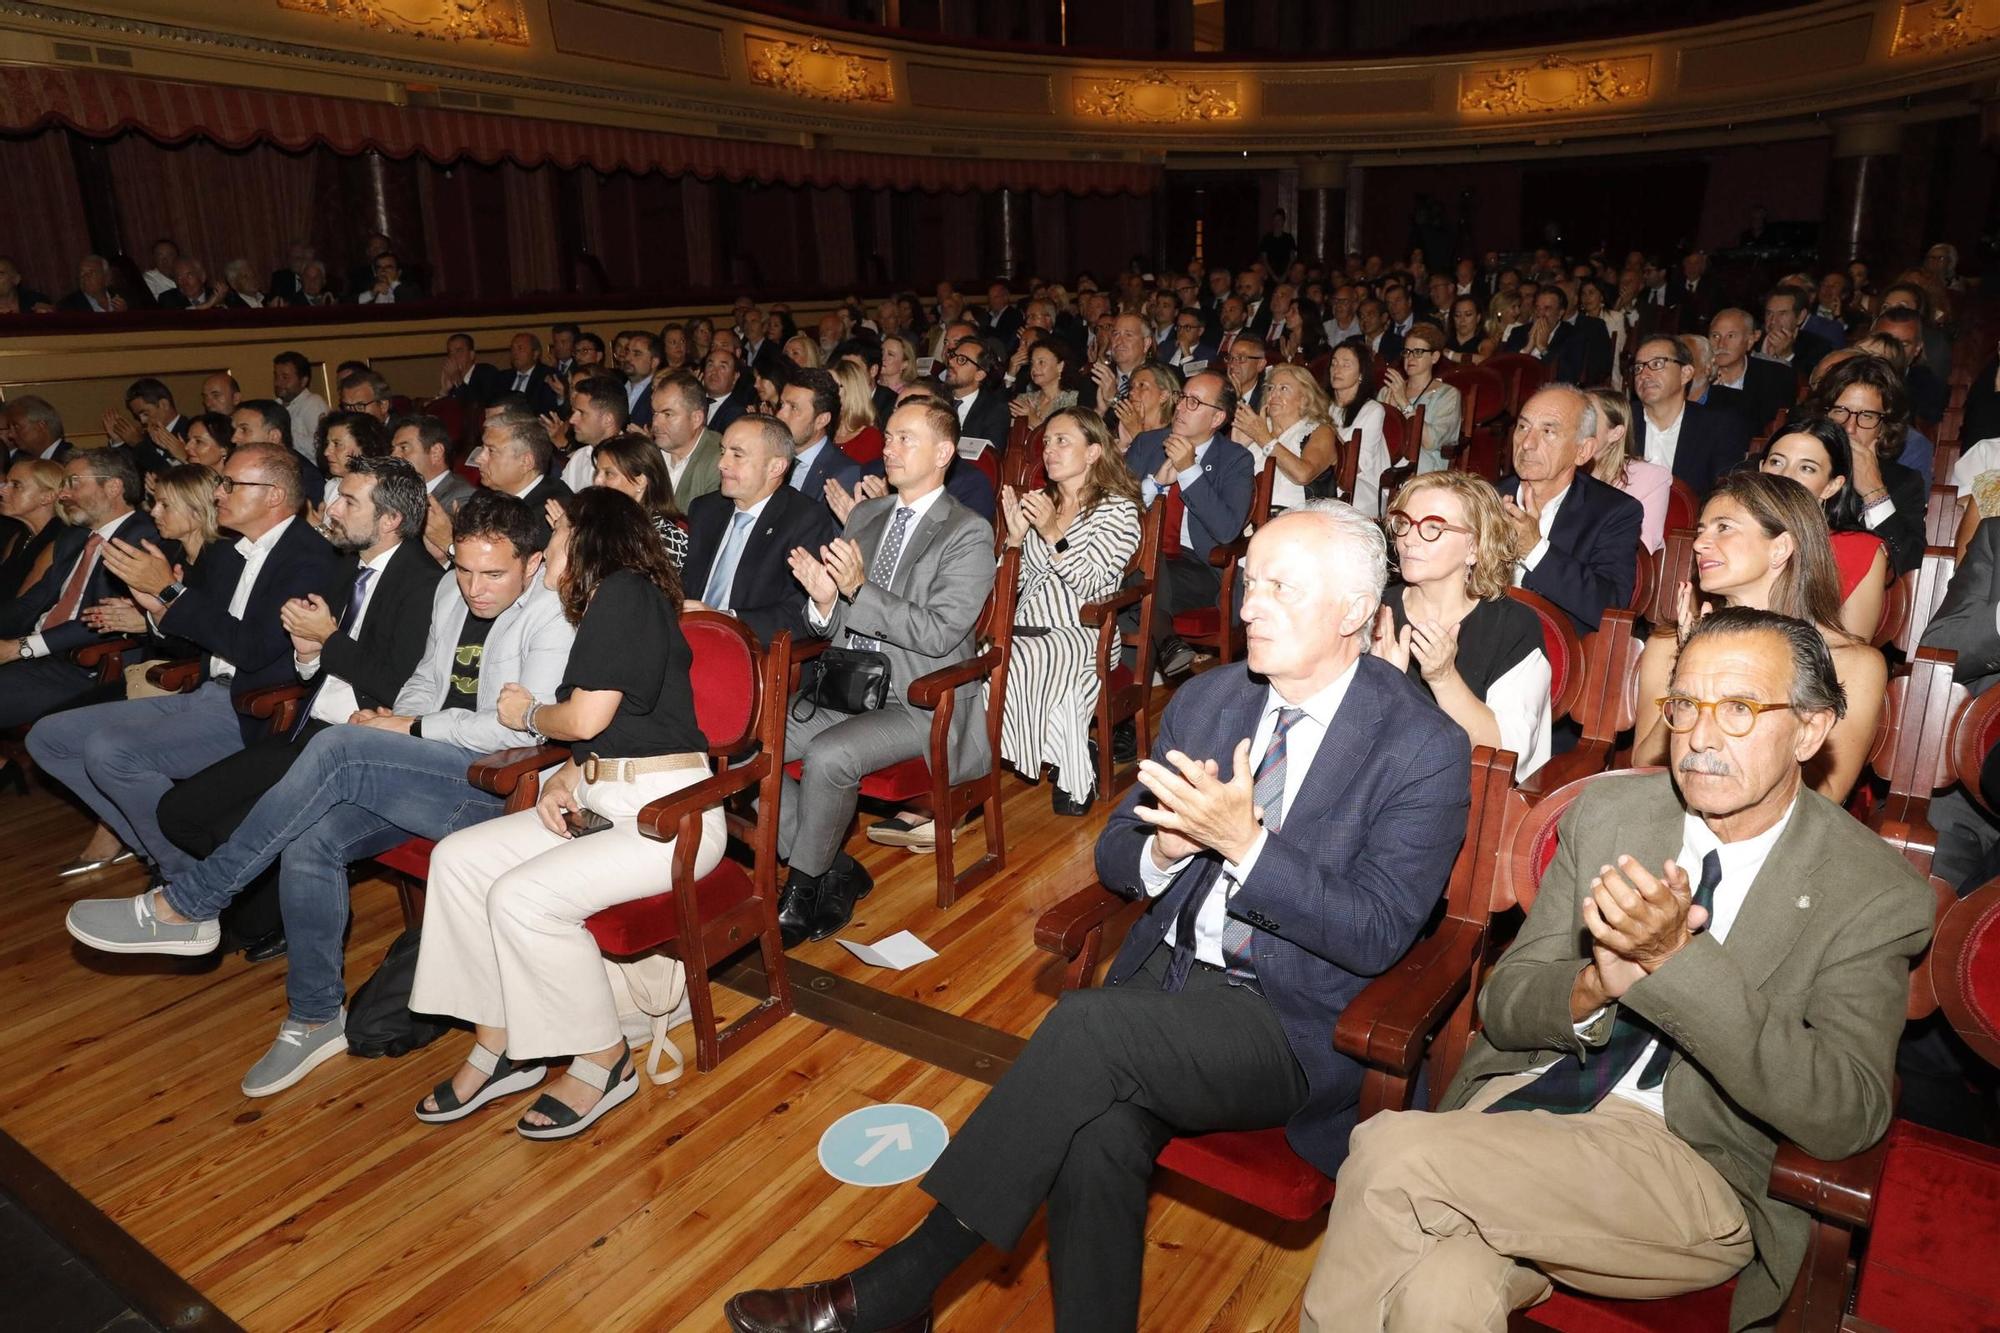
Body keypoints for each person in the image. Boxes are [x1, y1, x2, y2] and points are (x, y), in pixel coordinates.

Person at [724, 503, 1471, 1333]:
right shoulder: (1215, 698)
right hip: (1166, 981)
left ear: (1356, 612)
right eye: (1249, 582)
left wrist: (1248, 848)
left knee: (1085, 1033)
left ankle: (894, 1291)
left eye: (1279, 589)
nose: (1248, 605)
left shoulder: (1420, 746)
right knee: (1096, 1131)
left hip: (1286, 1022)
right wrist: (1170, 851)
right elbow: (1117, 851)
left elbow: (1375, 931)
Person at [1302, 606, 1932, 1333]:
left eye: (1738, 709)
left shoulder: (1871, 890)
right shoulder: (1610, 814)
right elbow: (1505, 1002)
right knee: (1440, 1293)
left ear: (1811, 730)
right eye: (1686, 704)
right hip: (1529, 1105)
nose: (1700, 736)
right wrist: (1593, 986)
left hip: (1695, 1164)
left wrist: (1677, 963)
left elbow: (1848, 1111)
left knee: (1388, 1152)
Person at [64, 492, 573, 1097]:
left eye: (494, 574)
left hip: (498, 787)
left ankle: (193, 903)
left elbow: (521, 726)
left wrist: (407, 729)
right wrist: (396, 715)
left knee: (333, 748)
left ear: (535, 562)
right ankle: (314, 1017)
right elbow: (427, 679)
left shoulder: (554, 613)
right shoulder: (449, 590)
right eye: (464, 568)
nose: (475, 587)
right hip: (429, 763)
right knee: (312, 839)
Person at [408, 488, 722, 1139]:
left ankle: (605, 1059)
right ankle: (500, 1043)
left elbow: (582, 717)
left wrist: (525, 714)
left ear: (588, 537)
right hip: (612, 797)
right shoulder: (615, 604)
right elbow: (627, 724)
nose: (547, 544)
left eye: (555, 532)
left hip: (669, 816)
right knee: (459, 860)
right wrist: (569, 777)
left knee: (523, 898)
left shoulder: (623, 594)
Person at [150, 457, 441, 960]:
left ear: (391, 520)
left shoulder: (425, 583)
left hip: (360, 742)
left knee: (229, 834)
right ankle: (265, 906)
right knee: (178, 813)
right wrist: (309, 655)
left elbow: (402, 690)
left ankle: (259, 912)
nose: (332, 508)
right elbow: (317, 668)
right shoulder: (348, 565)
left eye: (349, 501)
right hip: (311, 729)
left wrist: (326, 641)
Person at [25, 445, 346, 885]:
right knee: (50, 737)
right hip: (204, 690)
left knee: (110, 751)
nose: (219, 493)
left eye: (231, 484)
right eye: (221, 483)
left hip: (253, 709)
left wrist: (171, 595)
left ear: (273, 496)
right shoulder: (231, 552)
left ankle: (188, 875)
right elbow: (191, 632)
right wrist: (156, 608)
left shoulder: (307, 557)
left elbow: (252, 649)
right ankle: (164, 852)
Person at [774, 398, 996, 947]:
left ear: (944, 453)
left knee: (828, 757)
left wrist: (855, 590)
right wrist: (826, 602)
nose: (888, 449)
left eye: (904, 439)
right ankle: (828, 864)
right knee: (753, 745)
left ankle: (803, 885)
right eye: (889, 437)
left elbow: (940, 634)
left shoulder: (967, 532)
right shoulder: (866, 515)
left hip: (919, 698)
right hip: (848, 686)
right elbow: (831, 625)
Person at [1631, 471, 1884, 802]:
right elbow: (1643, 767)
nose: (1698, 544)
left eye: (1724, 528)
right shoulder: (1670, 644)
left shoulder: (1853, 663)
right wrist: (1688, 666)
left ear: (1780, 548)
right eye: (1701, 530)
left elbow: (1826, 794)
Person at [996, 408, 1143, 818]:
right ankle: (1074, 757)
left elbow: (1094, 586)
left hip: (1083, 629)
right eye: (1046, 442)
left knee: (1021, 662)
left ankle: (1065, 765)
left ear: (1094, 451)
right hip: (1025, 623)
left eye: (1062, 441)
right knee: (983, 662)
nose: (1049, 450)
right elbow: (1011, 585)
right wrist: (1013, 539)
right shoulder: (1041, 504)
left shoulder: (1118, 510)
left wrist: (1052, 534)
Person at [1376, 472, 1552, 780]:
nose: (1409, 539)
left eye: (1433, 527)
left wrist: (1443, 678)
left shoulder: (1511, 627)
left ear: (1474, 547)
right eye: (1403, 522)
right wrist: (1375, 681)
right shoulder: (1374, 609)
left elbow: (1509, 754)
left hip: (1464, 796)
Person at [0, 450, 163, 730]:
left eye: (73, 483)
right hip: (38, 655)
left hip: (83, 666)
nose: (63, 495)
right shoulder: (74, 538)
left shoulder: (143, 537)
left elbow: (105, 617)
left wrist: (21, 648)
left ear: (113, 487)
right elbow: (31, 603)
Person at [1122, 370, 1255, 681]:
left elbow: (1225, 530)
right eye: (1182, 397)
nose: (1181, 406)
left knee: (1130, 587)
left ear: (1217, 418)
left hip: (1199, 569)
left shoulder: (1236, 460)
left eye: (1194, 402)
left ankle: (1127, 708)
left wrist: (1188, 470)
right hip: (1138, 557)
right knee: (1137, 573)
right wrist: (1154, 483)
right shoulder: (1147, 444)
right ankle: (1167, 642)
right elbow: (1114, 508)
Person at [1501, 385, 1643, 635]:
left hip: (1553, 653)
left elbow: (1611, 609)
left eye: (1548, 431)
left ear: (1583, 451)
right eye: (1523, 427)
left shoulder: (1613, 511)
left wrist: (1535, 550)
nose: (1527, 444)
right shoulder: (1485, 496)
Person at [680, 414, 834, 645]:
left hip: (751, 653)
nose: (722, 463)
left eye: (737, 455)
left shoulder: (804, 519)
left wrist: (724, 621)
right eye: (723, 452)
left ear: (776, 467)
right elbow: (684, 585)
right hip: (687, 639)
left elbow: (798, 612)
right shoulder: (705, 509)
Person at [1759, 417, 1890, 640]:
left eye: (1806, 468)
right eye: (1777, 462)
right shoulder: (1729, 533)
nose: (1785, 476)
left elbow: (1852, 656)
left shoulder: (1856, 550)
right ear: (1761, 469)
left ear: (1831, 486)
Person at [1801, 353, 1925, 576]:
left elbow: (1908, 562)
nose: (1849, 428)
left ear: (1885, 426)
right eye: (1840, 412)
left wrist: (1874, 493)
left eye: (1866, 416)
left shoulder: (1902, 482)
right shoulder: (1793, 463)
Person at [1630, 335, 1750, 497]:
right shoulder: (1620, 421)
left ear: (1685, 374)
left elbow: (1729, 493)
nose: (1644, 375)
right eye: (1638, 368)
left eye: (1657, 364)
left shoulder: (1717, 426)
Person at [1233, 362, 1336, 513]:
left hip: (1297, 521)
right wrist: (1235, 446)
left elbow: (1303, 474)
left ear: (1304, 399)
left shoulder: (1319, 431)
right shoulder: (1256, 426)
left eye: (1284, 389)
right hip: (1244, 515)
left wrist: (1264, 438)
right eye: (1270, 388)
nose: (1273, 395)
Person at [1585, 388, 1672, 554]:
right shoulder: (1556, 470)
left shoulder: (1651, 479)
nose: (1576, 426)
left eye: (1588, 418)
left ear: (1615, 433)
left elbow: (1639, 553)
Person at [588, 432, 688, 569]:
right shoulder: (597, 523)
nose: (597, 481)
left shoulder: (665, 539)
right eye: (597, 473)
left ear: (640, 481)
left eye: (609, 474)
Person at [1379, 322, 1461, 474]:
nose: (1410, 357)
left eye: (1417, 352)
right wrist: (1388, 413)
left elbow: (1431, 442)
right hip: (1387, 459)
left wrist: (1404, 403)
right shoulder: (1388, 391)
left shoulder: (1448, 395)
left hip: (1426, 466)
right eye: (1407, 352)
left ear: (1434, 357)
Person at [1328, 338, 1392, 518]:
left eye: (1345, 365)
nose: (1337, 369)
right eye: (1334, 363)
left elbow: (1358, 466)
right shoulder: (1323, 406)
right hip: (1325, 479)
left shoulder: (1373, 410)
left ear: (1361, 373)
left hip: (1362, 485)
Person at [0, 457, 69, 600]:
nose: (2, 491)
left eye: (16, 485)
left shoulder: (60, 542)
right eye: (6, 483)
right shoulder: (20, 536)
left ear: (47, 497)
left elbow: (24, 606)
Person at [552, 374, 631, 492]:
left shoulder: (631, 462)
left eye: (581, 413)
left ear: (607, 420)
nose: (573, 420)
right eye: (574, 412)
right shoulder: (579, 458)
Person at [313, 410, 389, 515]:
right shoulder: (332, 486)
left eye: (337, 444)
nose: (326, 452)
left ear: (364, 447)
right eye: (327, 444)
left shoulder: (377, 494)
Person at [1008, 338, 1079, 435]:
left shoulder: (1073, 401)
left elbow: (1064, 438)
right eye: (1032, 363)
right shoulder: (1025, 399)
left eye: (1041, 362)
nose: (1034, 368)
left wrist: (1034, 420)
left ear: (1060, 366)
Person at [830, 358, 886, 467]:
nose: (826, 391)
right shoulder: (823, 428)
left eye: (834, 386)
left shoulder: (870, 438)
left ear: (852, 391)